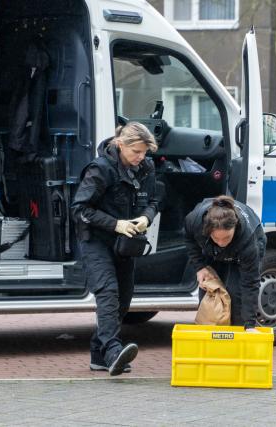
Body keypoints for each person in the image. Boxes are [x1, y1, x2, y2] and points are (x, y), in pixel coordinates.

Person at [71, 122, 159, 375]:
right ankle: (112, 353)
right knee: (108, 293)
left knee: (124, 297)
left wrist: (147, 217)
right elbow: (79, 209)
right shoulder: (100, 170)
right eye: (136, 152)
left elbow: (153, 200)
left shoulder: (146, 167)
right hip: (96, 240)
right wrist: (116, 224)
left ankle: (98, 356)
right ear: (121, 144)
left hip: (126, 242)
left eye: (144, 153)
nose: (141, 158)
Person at [184, 195, 266, 331]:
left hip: (240, 252)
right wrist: (200, 267)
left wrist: (250, 324)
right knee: (211, 293)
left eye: (226, 237)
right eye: (217, 238)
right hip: (211, 251)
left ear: (235, 227)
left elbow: (250, 283)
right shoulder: (195, 221)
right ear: (207, 231)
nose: (222, 243)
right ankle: (210, 341)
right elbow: (188, 238)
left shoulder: (249, 242)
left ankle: (237, 337)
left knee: (236, 294)